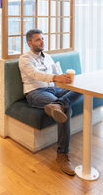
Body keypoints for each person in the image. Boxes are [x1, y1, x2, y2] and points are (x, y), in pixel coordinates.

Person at [19, 29, 82, 176]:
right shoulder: (25, 59)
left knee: (81, 89)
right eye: (38, 40)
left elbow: (56, 73)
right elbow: (36, 74)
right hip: (35, 93)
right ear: (29, 43)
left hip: (54, 91)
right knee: (66, 110)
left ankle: (58, 104)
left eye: (42, 38)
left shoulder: (48, 57)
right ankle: (62, 155)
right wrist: (55, 77)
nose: (42, 42)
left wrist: (64, 77)